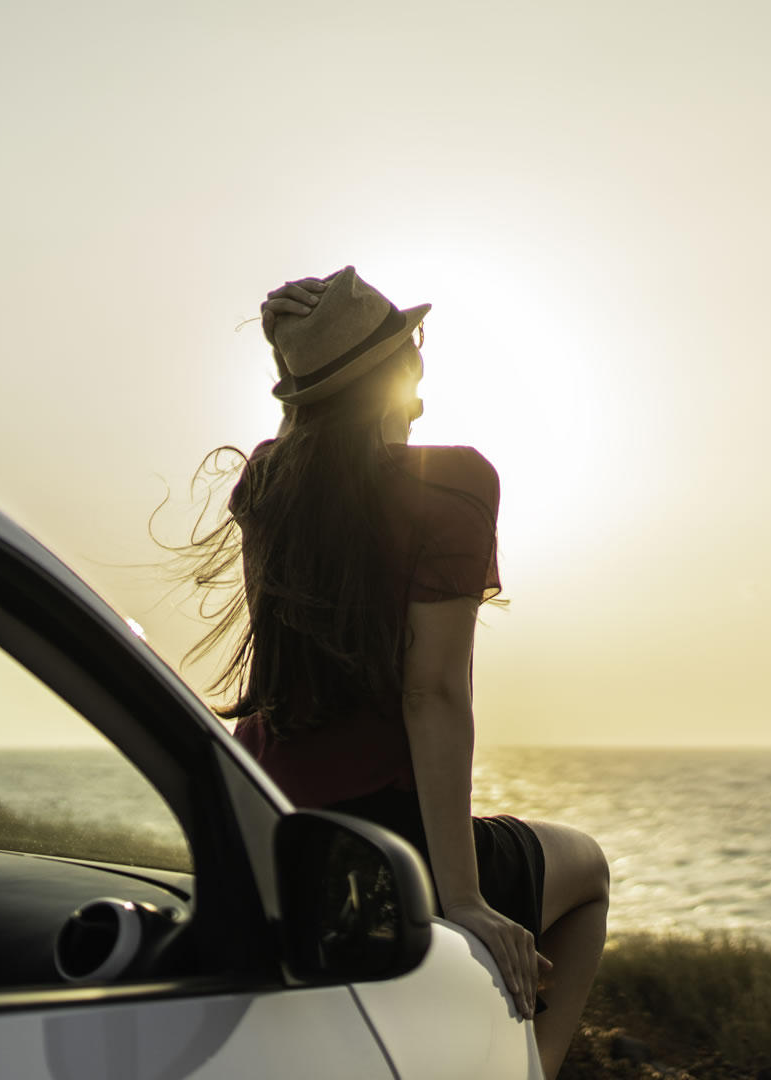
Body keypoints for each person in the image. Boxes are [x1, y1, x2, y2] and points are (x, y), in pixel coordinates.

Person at [182, 266, 609, 1078]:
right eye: (411, 354)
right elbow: (433, 692)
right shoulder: (453, 484)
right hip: (388, 845)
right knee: (586, 870)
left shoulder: (266, 483)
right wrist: (462, 901)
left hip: (273, 830)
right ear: (393, 375)